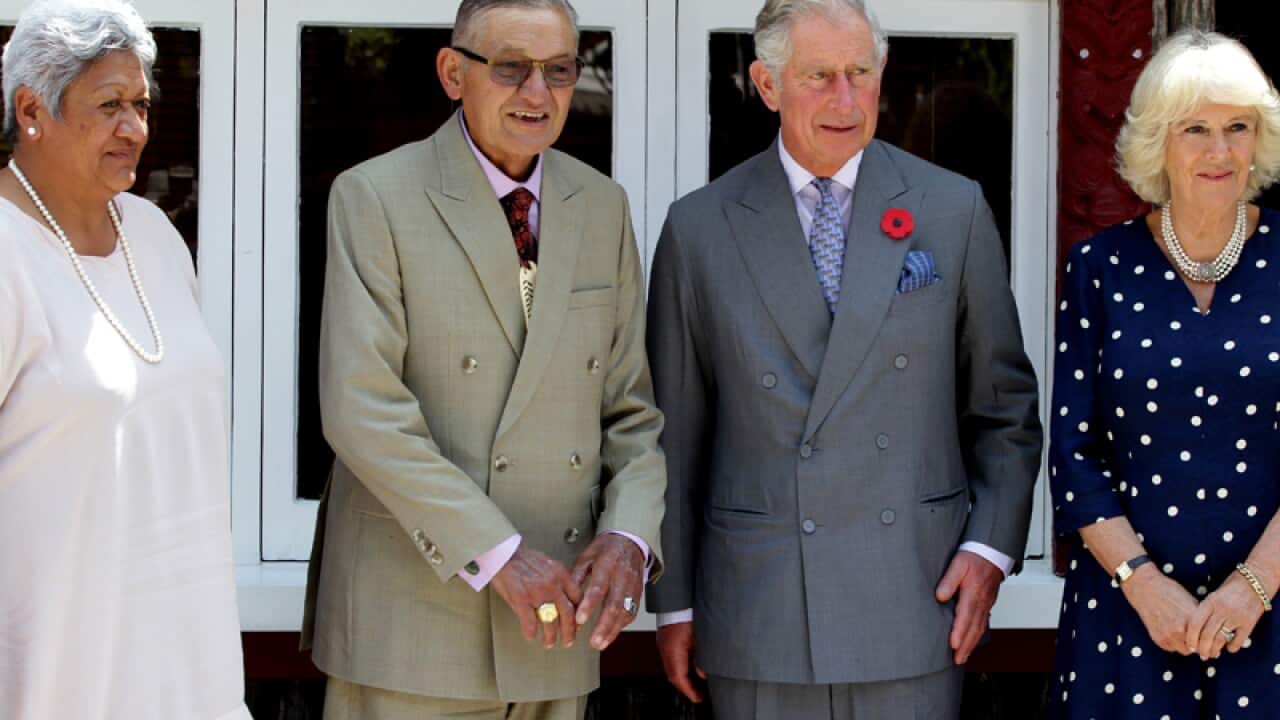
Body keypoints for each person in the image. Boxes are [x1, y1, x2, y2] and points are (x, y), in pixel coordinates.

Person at [645, 0, 1042, 718]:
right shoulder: (699, 227)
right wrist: (672, 606)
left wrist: (990, 550)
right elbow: (673, 435)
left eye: (860, 72)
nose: (845, 99)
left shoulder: (951, 211)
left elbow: (1005, 409)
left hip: (916, 601)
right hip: (758, 608)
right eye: (819, 76)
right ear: (767, 86)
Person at [299, 1, 666, 718]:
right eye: (510, 68)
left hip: (557, 631)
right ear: (451, 72)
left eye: (560, 71)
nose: (539, 93)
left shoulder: (602, 205)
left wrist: (628, 535)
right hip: (411, 625)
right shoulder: (375, 197)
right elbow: (361, 410)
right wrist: (498, 553)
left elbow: (631, 410)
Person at [0, 1, 250, 718]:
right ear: (31, 110)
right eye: (110, 105)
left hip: (188, 671)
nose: (135, 128)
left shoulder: (152, 233)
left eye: (141, 104)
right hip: (54, 681)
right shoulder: (7, 254)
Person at [1049, 29, 1280, 719]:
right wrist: (1144, 585)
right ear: (1159, 142)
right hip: (1125, 617)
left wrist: (1255, 586)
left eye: (1237, 127)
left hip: (1272, 612)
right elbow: (1071, 452)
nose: (1219, 150)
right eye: (1196, 129)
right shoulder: (1099, 269)